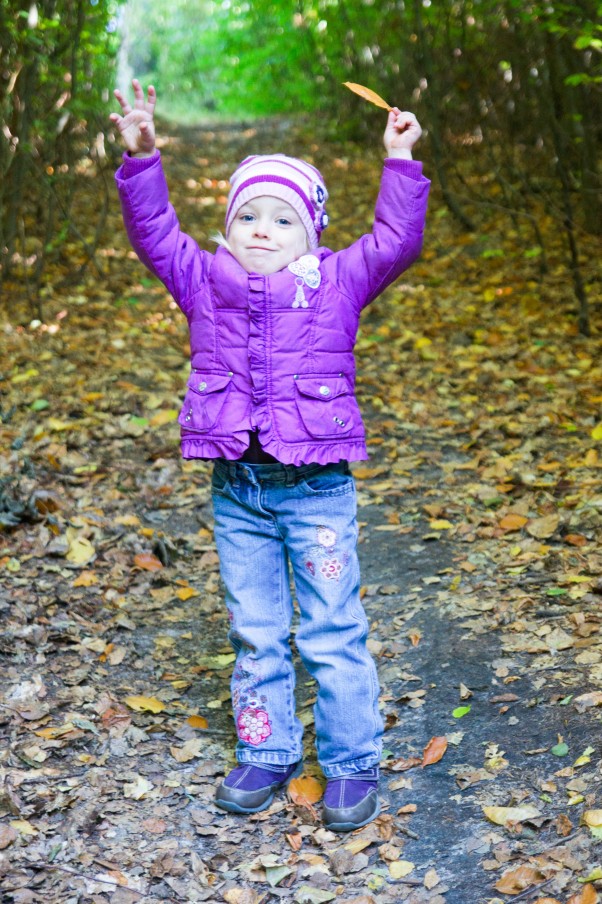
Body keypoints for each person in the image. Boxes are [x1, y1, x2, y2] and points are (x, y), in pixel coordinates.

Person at [111, 79, 430, 833]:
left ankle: (352, 762)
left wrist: (399, 162)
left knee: (330, 627)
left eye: (281, 219)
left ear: (310, 234)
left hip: (316, 489)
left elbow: (397, 241)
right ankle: (268, 748)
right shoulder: (204, 283)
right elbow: (155, 231)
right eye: (247, 215)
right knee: (256, 628)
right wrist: (142, 158)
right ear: (227, 228)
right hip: (239, 490)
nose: (261, 229)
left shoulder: (337, 285)